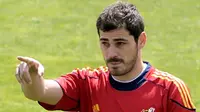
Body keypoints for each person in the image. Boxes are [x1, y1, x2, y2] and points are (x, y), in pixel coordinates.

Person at [15, 1, 196, 112]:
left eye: (120, 43)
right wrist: (31, 77)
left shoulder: (170, 90)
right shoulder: (87, 83)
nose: (111, 53)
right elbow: (42, 92)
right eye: (105, 43)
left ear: (141, 40)